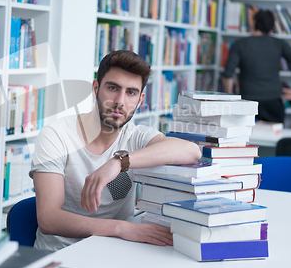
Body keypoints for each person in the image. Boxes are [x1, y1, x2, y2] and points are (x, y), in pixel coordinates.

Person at [30, 50, 202, 251]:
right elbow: (49, 219)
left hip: (116, 253)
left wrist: (119, 162)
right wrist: (121, 228)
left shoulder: (136, 136)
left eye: (131, 92)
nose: (120, 101)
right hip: (59, 257)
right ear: (96, 88)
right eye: (113, 88)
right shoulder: (56, 135)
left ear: (140, 100)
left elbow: (191, 151)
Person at [221, 9, 291, 123]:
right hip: (274, 103)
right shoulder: (279, 43)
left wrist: (230, 98)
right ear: (272, 26)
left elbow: (228, 75)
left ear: (254, 22)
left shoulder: (239, 45)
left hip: (248, 102)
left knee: (246, 138)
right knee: (272, 138)